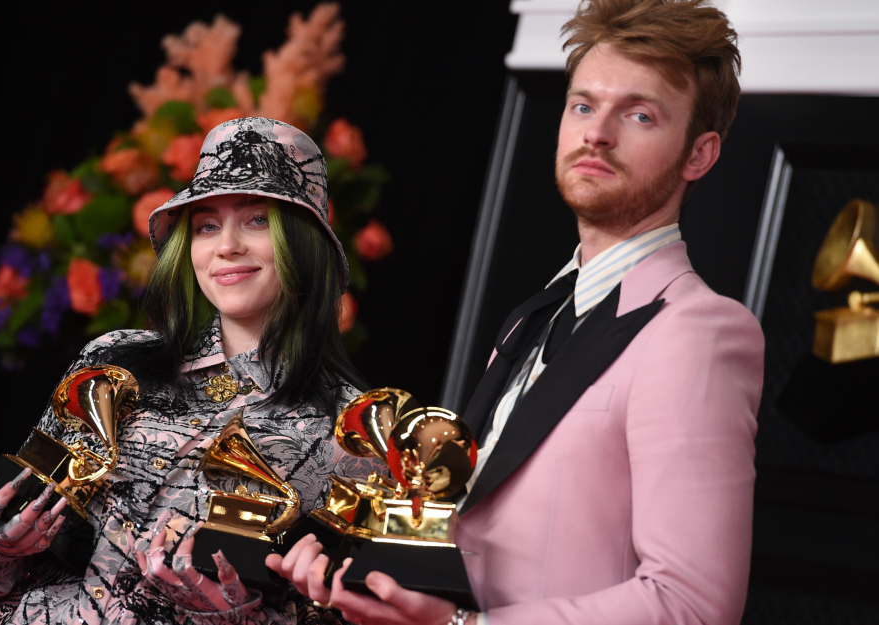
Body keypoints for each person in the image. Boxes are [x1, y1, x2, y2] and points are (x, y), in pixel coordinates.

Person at [270, 1, 765, 624]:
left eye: (639, 114)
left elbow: (694, 607)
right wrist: (353, 571)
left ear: (699, 154)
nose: (597, 133)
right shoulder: (535, 315)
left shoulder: (697, 331)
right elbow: (481, 536)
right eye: (583, 106)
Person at [0, 117, 383, 624]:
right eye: (206, 226)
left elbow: (345, 611)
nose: (226, 246)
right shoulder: (113, 359)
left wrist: (232, 616)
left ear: (304, 241)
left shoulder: (354, 433)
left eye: (256, 220)